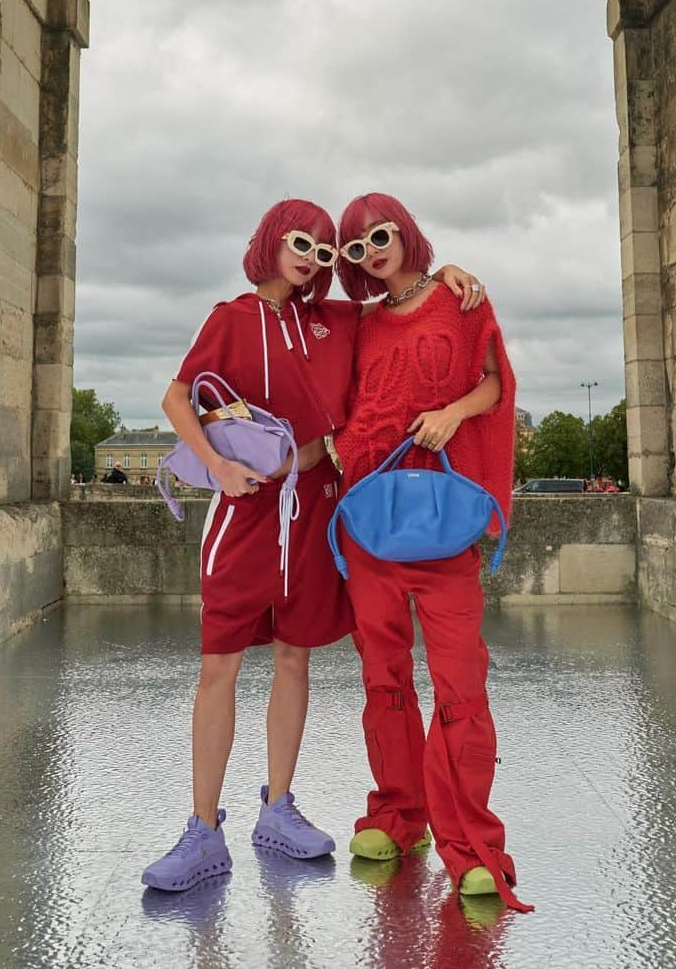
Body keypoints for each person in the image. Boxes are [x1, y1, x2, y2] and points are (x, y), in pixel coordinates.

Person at [140, 198, 485, 893]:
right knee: (220, 667)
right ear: (271, 241)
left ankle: (278, 807)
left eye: (328, 252)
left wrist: (441, 270)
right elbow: (177, 398)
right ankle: (202, 829)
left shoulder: (333, 318)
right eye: (303, 243)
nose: (313, 259)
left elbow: (398, 302)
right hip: (244, 512)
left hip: (314, 508)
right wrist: (216, 463)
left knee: (294, 658)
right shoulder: (230, 317)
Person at [333, 193, 533, 911]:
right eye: (354, 248)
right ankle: (397, 815)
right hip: (371, 521)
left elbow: (496, 385)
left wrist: (453, 412)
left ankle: (473, 844)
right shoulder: (354, 323)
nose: (370, 252)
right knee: (384, 680)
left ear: (405, 232)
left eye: (378, 236)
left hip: (443, 520)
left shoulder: (463, 301)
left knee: (459, 687)